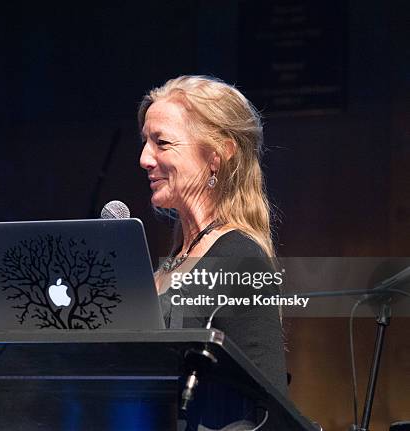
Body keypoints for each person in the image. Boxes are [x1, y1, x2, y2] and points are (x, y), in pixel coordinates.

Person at [138, 75, 286, 431]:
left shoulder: (240, 260)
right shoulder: (174, 258)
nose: (145, 158)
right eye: (145, 141)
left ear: (216, 157)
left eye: (162, 142)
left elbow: (269, 409)